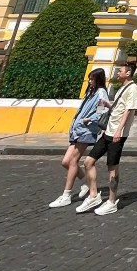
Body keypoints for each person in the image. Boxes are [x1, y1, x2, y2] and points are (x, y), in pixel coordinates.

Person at [76, 62, 137, 216]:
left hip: (117, 135)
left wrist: (119, 130)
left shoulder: (132, 88)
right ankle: (93, 195)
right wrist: (107, 105)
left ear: (128, 73)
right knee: (88, 162)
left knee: (112, 169)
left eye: (120, 71)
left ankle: (111, 201)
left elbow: (128, 111)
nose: (117, 73)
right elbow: (119, 108)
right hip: (107, 133)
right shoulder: (121, 88)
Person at [50, 69, 110, 208]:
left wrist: (89, 119)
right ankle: (86, 184)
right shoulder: (91, 92)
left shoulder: (101, 92)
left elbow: (102, 111)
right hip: (78, 130)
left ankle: (67, 195)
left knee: (72, 161)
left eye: (92, 79)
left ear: (98, 80)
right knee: (65, 161)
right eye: (89, 79)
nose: (89, 81)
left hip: (87, 130)